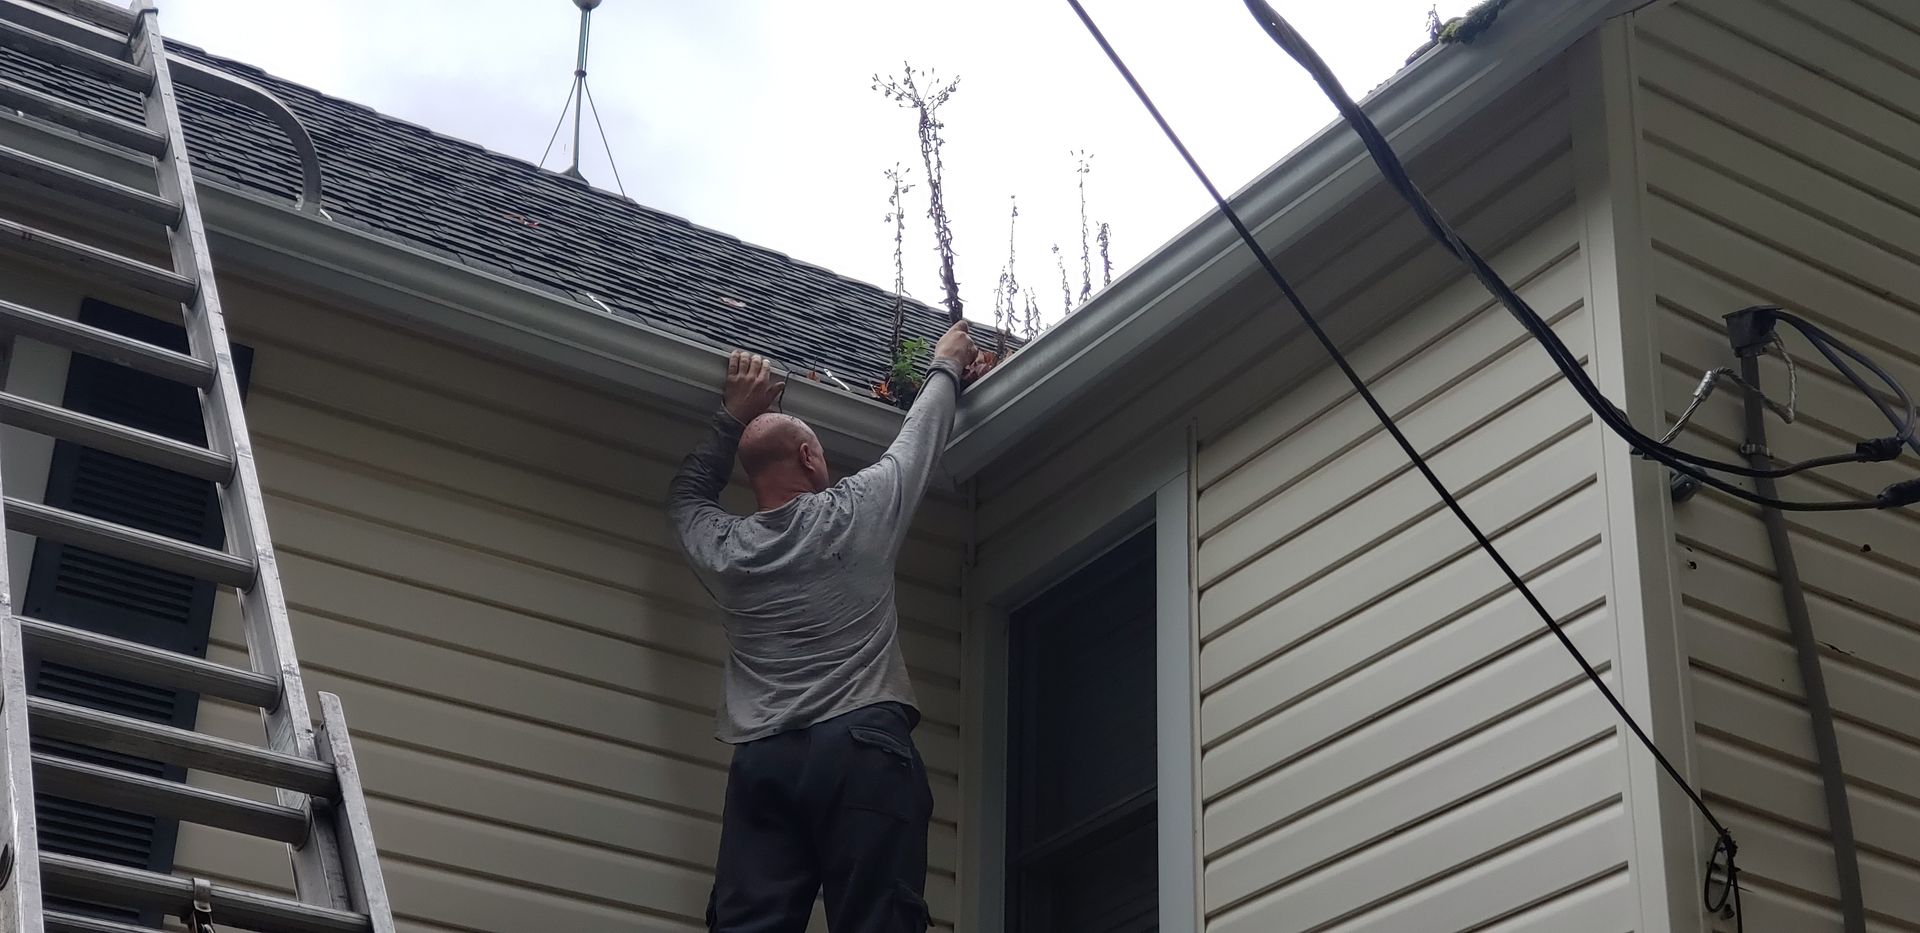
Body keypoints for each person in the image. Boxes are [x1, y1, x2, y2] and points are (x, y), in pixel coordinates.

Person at [666, 320, 984, 932]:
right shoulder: (857, 510)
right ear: (810, 457)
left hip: (766, 760)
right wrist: (945, 362)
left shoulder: (726, 549)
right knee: (877, 919)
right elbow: (918, 440)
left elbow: (685, 497)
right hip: (861, 748)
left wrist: (732, 419)